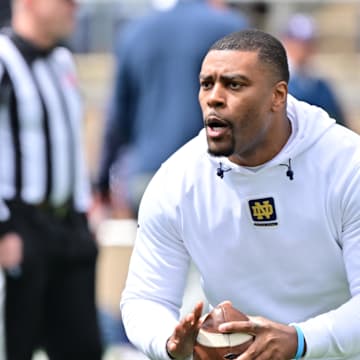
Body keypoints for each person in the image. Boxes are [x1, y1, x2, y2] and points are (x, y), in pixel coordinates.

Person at [120, 29, 360, 360]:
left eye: (234, 84)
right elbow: (145, 298)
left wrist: (300, 340)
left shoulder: (348, 166)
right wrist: (169, 342)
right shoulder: (176, 180)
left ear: (278, 96)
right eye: (207, 84)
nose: (214, 97)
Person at [0, 0, 103, 359]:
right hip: (19, 228)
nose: (76, 6)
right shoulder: (3, 58)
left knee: (83, 347)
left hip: (69, 227)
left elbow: (70, 141)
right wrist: (3, 226)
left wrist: (86, 207)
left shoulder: (62, 59)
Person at [95, 0, 250, 218]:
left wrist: (101, 182)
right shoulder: (230, 28)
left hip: (148, 180)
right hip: (215, 181)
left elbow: (118, 118)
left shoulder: (135, 32)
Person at [282, 13, 347, 127]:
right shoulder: (277, 79)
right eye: (299, 43)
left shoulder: (320, 85)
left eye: (308, 43)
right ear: (287, 41)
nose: (304, 48)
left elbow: (339, 122)